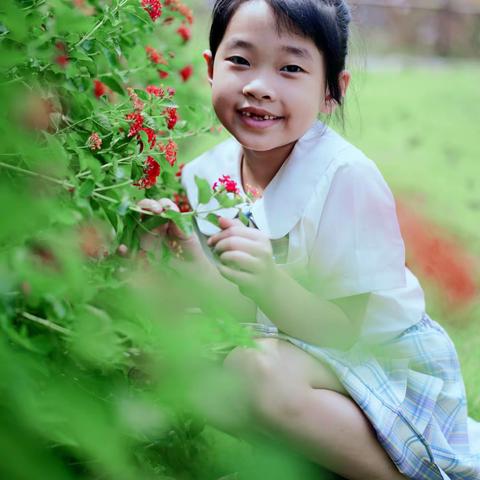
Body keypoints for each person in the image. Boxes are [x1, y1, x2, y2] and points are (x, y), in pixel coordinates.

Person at [138, 0, 480, 478]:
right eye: (240, 61)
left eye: (290, 67)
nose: (259, 86)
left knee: (254, 370)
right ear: (211, 69)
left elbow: (343, 331)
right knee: (173, 351)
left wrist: (268, 283)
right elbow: (243, 310)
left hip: (380, 358)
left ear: (331, 91)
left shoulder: (345, 178)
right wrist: (186, 257)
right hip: (295, 347)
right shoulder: (207, 176)